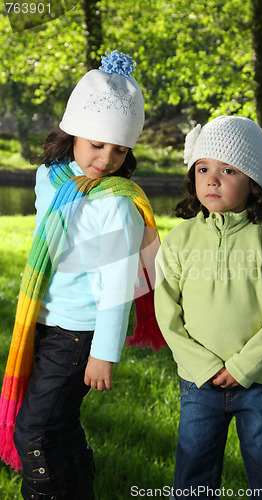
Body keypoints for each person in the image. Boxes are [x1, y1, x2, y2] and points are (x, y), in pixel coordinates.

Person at [0, 50, 165, 500]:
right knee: (60, 425)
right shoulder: (50, 178)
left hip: (78, 335)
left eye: (120, 149)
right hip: (44, 320)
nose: (107, 158)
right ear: (72, 132)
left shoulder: (113, 204)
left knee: (32, 434)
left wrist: (103, 353)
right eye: (97, 144)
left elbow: (116, 287)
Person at [154, 116, 262, 500]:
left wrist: (243, 367)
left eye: (227, 170)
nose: (212, 179)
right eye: (203, 169)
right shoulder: (178, 240)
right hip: (199, 382)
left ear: (253, 183)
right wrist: (202, 365)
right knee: (193, 468)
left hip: (261, 381)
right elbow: (167, 312)